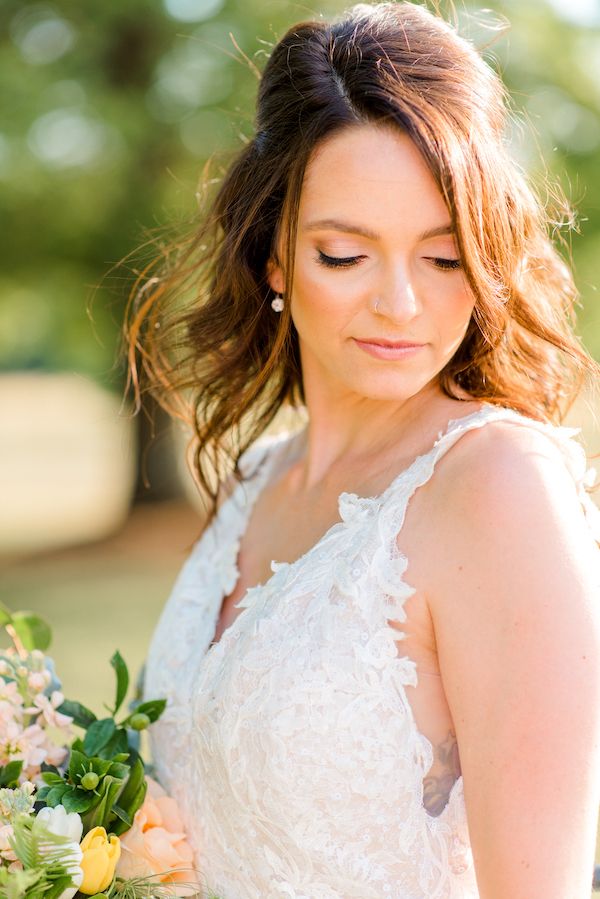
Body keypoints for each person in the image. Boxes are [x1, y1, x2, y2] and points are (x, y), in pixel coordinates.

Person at [125, 2, 600, 896]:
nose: (401, 305)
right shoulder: (258, 479)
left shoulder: (498, 487)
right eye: (345, 255)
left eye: (445, 257)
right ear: (273, 255)